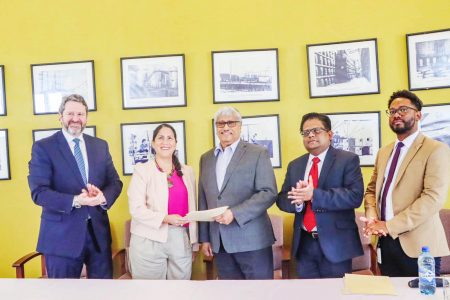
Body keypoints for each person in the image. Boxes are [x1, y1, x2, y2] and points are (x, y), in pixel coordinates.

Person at [28, 94, 123, 278]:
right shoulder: (43, 148)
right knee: (64, 295)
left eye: (80, 114)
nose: (75, 118)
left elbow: (115, 182)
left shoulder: (100, 146)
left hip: (98, 237)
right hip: (61, 237)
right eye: (70, 113)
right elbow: (39, 192)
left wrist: (102, 197)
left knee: (102, 294)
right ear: (60, 116)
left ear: (86, 117)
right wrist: (76, 200)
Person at [363, 90, 450, 277]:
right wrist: (371, 215)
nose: (396, 114)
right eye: (392, 111)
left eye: (403, 109)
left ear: (418, 114)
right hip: (385, 242)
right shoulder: (384, 152)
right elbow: (371, 190)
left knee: (422, 296)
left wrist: (389, 225)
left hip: (420, 245)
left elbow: (433, 198)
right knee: (391, 294)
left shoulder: (436, 149)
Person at [277, 112, 364, 278]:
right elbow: (282, 199)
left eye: (316, 131)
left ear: (329, 134)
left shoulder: (347, 160)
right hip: (304, 243)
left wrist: (313, 195)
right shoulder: (295, 165)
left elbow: (355, 196)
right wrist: (298, 200)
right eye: (305, 132)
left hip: (336, 243)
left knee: (336, 294)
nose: (310, 135)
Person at [198, 106, 277, 279]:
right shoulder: (206, 158)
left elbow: (268, 192)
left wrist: (235, 213)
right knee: (230, 294)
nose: (225, 127)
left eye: (231, 123)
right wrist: (204, 238)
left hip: (252, 240)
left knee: (260, 294)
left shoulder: (258, 153)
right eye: (220, 123)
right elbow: (203, 199)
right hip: (220, 243)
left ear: (240, 126)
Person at [127, 124, 198, 280]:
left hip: (181, 239)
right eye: (160, 138)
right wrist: (165, 218)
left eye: (169, 138)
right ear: (153, 143)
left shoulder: (188, 171)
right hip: (148, 239)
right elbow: (136, 209)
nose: (165, 142)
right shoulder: (142, 170)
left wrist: (194, 243)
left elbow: (193, 208)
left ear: (175, 143)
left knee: (180, 293)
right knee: (150, 293)